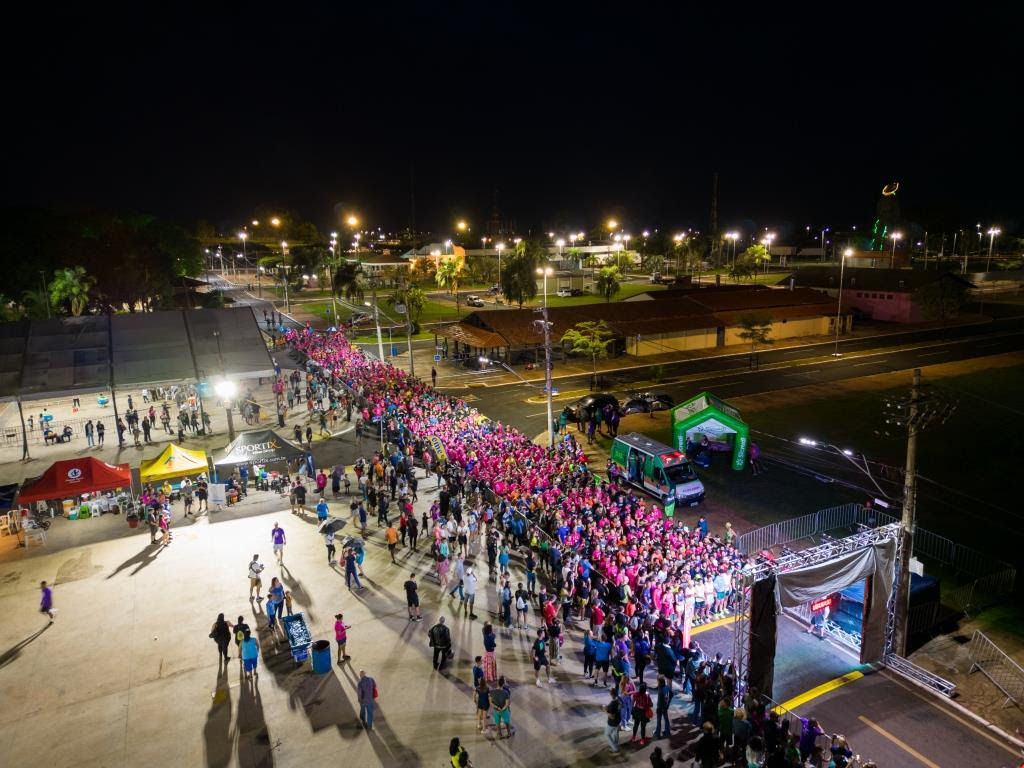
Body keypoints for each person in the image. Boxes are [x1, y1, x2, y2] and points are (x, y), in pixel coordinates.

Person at [654, 675, 673, 739]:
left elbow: (663, 699)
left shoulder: (661, 690)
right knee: (666, 719)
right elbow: (672, 694)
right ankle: (667, 732)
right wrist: (668, 704)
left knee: (659, 720)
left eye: (658, 682)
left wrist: (661, 706)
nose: (657, 683)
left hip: (660, 707)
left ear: (660, 682)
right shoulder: (667, 687)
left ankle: (658, 733)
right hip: (665, 707)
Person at [604, 688, 622, 754]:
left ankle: (614, 748)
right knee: (615, 733)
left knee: (607, 734)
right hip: (618, 720)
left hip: (612, 723)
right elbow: (620, 707)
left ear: (611, 694)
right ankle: (616, 745)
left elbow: (612, 716)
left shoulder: (612, 704)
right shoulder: (619, 700)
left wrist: (606, 711)